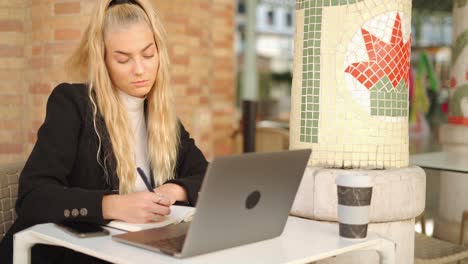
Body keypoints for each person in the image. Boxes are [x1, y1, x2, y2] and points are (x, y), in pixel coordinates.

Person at [0, 0, 208, 262]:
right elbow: (33, 197)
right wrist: (113, 205)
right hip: (66, 254)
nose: (140, 69)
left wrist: (173, 191)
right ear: (104, 61)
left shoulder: (161, 118)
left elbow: (207, 175)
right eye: (123, 59)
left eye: (148, 54)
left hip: (132, 251)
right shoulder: (73, 104)